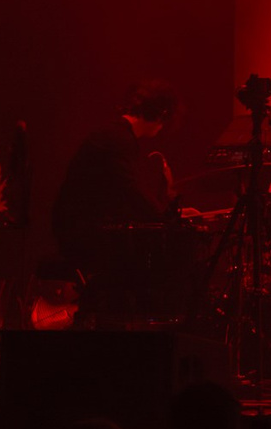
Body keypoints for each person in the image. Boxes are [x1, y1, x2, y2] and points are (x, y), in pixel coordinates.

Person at [52, 80, 179, 291]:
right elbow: (131, 190)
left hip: (75, 223)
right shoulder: (119, 140)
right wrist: (167, 218)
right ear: (161, 114)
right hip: (80, 230)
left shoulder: (113, 134)